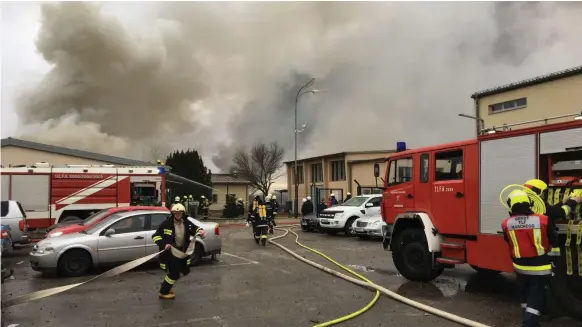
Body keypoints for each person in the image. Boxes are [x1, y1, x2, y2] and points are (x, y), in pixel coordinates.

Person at [501, 190, 558, 327]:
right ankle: (529, 323)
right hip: (540, 267)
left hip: (520, 267)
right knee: (536, 296)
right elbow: (554, 240)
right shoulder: (543, 220)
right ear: (529, 203)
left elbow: (508, 242)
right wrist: (554, 261)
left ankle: (530, 318)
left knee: (525, 293)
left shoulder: (506, 224)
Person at [152, 203, 204, 300]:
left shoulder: (186, 222)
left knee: (185, 270)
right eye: (175, 213)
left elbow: (195, 229)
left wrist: (200, 231)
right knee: (174, 273)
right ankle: (163, 292)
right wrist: (164, 244)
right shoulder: (166, 224)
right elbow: (155, 236)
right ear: (172, 213)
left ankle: (167, 284)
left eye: (179, 213)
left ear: (183, 213)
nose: (177, 215)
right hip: (170, 253)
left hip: (182, 253)